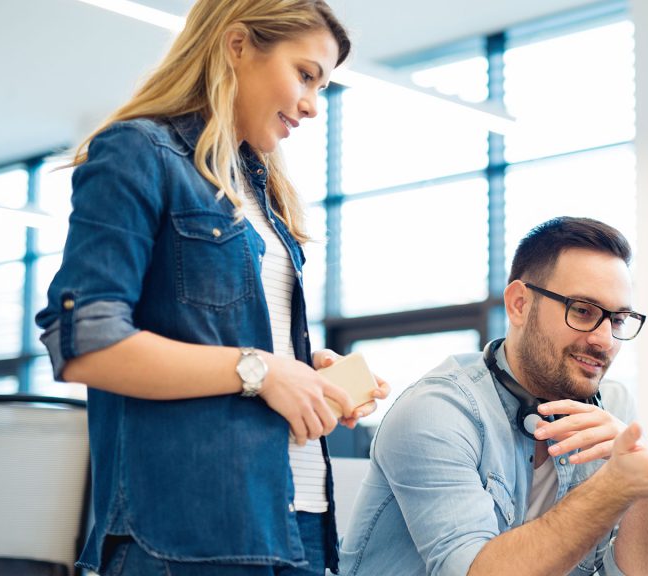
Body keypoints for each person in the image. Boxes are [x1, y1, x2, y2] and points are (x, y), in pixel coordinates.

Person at [34, 1, 389, 574]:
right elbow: (86, 344)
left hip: (296, 519)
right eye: (305, 75)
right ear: (238, 45)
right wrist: (264, 370)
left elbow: (231, 340)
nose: (312, 106)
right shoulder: (137, 152)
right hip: (188, 530)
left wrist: (303, 370)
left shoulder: (266, 197)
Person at [338, 216, 648, 576]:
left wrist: (641, 483)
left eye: (616, 320)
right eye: (582, 311)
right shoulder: (437, 412)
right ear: (519, 304)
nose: (603, 341)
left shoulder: (611, 402)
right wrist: (614, 486)